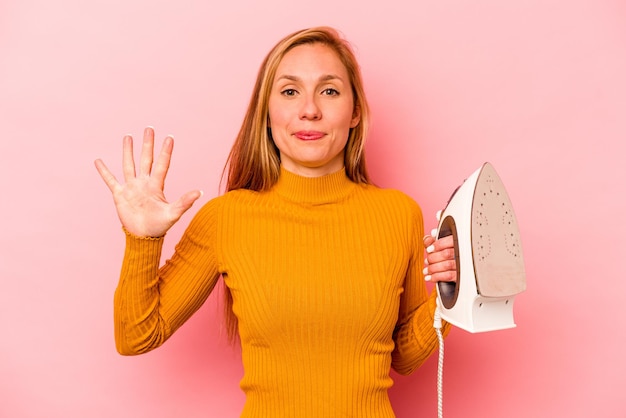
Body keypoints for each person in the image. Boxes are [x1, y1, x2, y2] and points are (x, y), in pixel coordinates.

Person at [95, 26, 457, 418]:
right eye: (289, 91)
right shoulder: (228, 217)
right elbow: (135, 336)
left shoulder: (398, 214)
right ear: (266, 114)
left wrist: (450, 293)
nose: (310, 109)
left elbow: (402, 356)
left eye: (329, 91)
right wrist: (142, 239)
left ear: (354, 112)